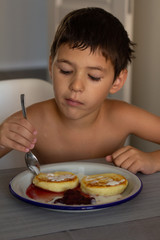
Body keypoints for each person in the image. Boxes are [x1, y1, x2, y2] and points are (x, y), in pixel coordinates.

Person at [0, 7, 160, 174]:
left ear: (117, 81)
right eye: (65, 70)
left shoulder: (123, 116)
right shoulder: (31, 119)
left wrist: (153, 161)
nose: (76, 86)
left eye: (94, 76)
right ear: (51, 66)